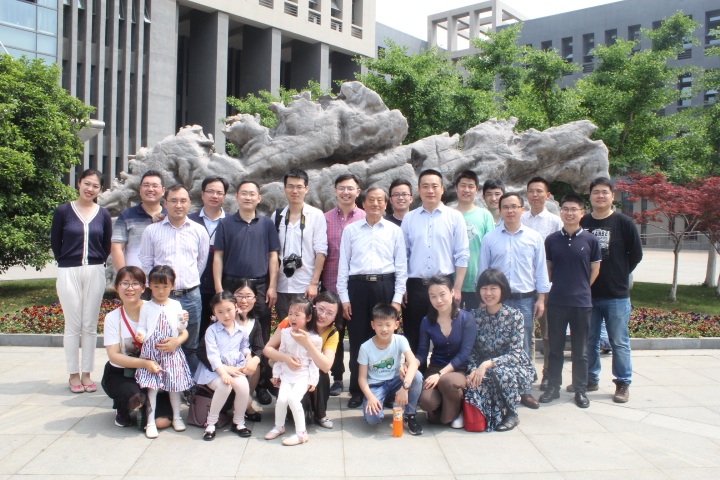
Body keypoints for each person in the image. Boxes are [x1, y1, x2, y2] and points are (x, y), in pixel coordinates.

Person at [336, 186, 407, 408]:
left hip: (385, 286)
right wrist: (344, 298)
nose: (375, 204)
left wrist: (396, 300)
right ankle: (357, 390)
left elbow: (401, 268)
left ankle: (387, 387)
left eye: (380, 200)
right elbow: (343, 266)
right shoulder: (351, 230)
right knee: (358, 340)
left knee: (385, 340)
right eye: (371, 200)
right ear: (363, 204)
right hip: (357, 288)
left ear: (386, 204)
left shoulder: (394, 231)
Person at [479, 192, 550, 409]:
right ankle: (499, 388)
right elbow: (483, 271)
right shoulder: (490, 238)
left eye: (514, 206)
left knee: (524, 346)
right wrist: (484, 300)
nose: (510, 210)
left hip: (524, 301)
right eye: (506, 207)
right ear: (499, 211)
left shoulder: (534, 237)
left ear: (522, 209)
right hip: (497, 302)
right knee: (497, 347)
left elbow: (540, 270)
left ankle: (525, 390)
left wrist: (541, 299)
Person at [213, 180, 280, 405]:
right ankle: (230, 381)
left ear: (259, 198)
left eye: (252, 194)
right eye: (244, 193)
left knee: (261, 333)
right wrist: (219, 288)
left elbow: (273, 256)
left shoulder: (267, 224)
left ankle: (260, 384)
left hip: (259, 286)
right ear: (237, 197)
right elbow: (218, 256)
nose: (248, 197)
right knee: (229, 330)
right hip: (232, 284)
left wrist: (272, 286)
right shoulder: (225, 224)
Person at [580, 177, 643, 403]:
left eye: (604, 192)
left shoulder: (623, 222)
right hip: (589, 294)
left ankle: (623, 382)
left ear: (612, 196)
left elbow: (636, 254)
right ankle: (590, 378)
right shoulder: (583, 222)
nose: (600, 196)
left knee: (619, 341)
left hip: (616, 295)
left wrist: (620, 272)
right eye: (596, 192)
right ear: (590, 196)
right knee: (590, 340)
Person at [51, 168, 113, 393]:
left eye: (95, 186)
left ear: (100, 189)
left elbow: (106, 244)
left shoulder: (103, 214)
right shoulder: (63, 211)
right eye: (87, 184)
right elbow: (56, 242)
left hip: (95, 270)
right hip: (68, 270)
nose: (90, 189)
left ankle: (87, 374)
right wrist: (67, 261)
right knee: (72, 325)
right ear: (79, 183)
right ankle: (73, 375)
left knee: (89, 325)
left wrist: (96, 261)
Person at [139, 184, 210, 375]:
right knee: (159, 341)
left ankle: (189, 385)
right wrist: (159, 288)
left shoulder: (199, 231)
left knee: (190, 345)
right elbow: (146, 261)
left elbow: (201, 262)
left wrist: (187, 281)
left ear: (189, 203)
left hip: (190, 296)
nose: (179, 205)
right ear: (165, 203)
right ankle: (163, 382)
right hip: (161, 298)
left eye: (183, 201)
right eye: (174, 201)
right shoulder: (152, 231)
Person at [540, 194, 601, 408]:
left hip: (581, 303)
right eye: (565, 209)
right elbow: (548, 270)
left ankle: (580, 390)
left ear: (582, 213)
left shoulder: (591, 240)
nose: (569, 213)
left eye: (574, 209)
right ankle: (553, 387)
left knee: (580, 351)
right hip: (556, 301)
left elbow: (595, 270)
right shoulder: (552, 240)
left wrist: (581, 287)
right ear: (561, 212)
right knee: (555, 349)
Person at [401, 169, 469, 352]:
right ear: (418, 190)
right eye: (425, 186)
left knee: (448, 336)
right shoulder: (409, 218)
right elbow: (403, 255)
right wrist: (403, 286)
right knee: (414, 336)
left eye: (434, 186)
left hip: (444, 285)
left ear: (442, 189)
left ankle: (443, 370)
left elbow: (462, 254)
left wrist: (457, 288)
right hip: (415, 287)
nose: (430, 190)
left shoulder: (454, 217)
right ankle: (416, 370)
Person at [101, 266, 173, 430]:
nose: (130, 288)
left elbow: (180, 330)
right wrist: (145, 363)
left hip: (153, 373)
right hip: (123, 373)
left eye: (135, 283)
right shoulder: (112, 318)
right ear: (117, 287)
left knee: (162, 422)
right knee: (134, 398)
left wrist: (176, 339)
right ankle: (123, 407)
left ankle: (143, 407)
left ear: (143, 287)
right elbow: (114, 355)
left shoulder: (156, 309)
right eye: (125, 283)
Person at [466, 269, 535, 432]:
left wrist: (487, 364)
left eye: (493, 288)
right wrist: (474, 369)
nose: (488, 293)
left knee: (501, 373)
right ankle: (488, 415)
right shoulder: (475, 316)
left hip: (512, 366)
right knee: (473, 383)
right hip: (483, 367)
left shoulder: (515, 316)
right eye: (484, 288)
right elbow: (472, 350)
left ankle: (512, 413)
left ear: (502, 290)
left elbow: (516, 353)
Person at [264, 291, 343, 429]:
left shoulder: (332, 332)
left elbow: (326, 366)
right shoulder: (292, 321)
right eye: (320, 309)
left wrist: (308, 343)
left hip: (307, 373)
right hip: (286, 369)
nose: (323, 315)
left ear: (335, 316)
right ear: (312, 307)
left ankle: (321, 415)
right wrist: (285, 358)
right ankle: (287, 410)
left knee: (321, 374)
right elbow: (267, 349)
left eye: (330, 313)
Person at [134, 266, 194, 439]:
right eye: (156, 286)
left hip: (171, 352)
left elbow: (181, 327)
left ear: (173, 286)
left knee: (173, 386)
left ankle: (177, 417)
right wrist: (141, 335)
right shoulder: (146, 306)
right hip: (152, 352)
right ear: (149, 285)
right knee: (152, 387)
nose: (161, 291)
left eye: (165, 286)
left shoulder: (176, 305)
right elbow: (142, 325)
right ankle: (150, 422)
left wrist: (184, 320)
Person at [323, 173, 365, 398]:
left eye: (350, 188)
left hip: (358, 288)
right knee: (334, 334)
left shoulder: (366, 217)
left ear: (358, 191)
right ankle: (337, 377)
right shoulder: (325, 219)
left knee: (358, 335)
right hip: (331, 286)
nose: (346, 192)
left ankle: (359, 378)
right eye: (341, 188)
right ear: (335, 191)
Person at [520, 176, 563, 391]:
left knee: (548, 334)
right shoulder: (520, 219)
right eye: (531, 191)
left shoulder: (555, 221)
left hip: (547, 285)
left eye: (539, 191)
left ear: (548, 195)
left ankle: (548, 373)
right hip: (524, 285)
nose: (535, 195)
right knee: (524, 333)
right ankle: (527, 370)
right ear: (526, 195)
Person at [417, 276, 476, 427]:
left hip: (459, 369)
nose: (438, 300)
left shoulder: (467, 318)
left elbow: (465, 354)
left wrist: (440, 374)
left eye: (442, 294)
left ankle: (459, 409)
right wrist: (410, 364)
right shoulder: (426, 321)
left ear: (452, 293)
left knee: (448, 382)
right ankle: (446, 406)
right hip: (435, 368)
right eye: (433, 296)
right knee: (426, 402)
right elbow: (422, 353)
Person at [264, 296, 322, 446]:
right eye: (290, 314)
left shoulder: (315, 339)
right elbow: (281, 354)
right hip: (287, 375)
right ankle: (279, 427)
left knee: (293, 399)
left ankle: (301, 433)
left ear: (308, 317)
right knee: (281, 400)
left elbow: (314, 362)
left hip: (303, 376)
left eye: (297, 314)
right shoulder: (285, 333)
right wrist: (276, 374)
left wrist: (313, 380)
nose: (292, 318)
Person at [271, 169, 328, 320]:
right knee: (285, 327)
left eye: (299, 187)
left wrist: (314, 283)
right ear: (285, 188)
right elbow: (273, 253)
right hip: (282, 285)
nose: (294, 191)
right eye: (290, 186)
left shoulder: (316, 215)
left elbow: (321, 251)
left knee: (306, 327)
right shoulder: (277, 216)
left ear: (306, 189)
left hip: (306, 285)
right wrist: (272, 286)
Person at [194, 292, 252, 440]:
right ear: (214, 312)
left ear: (236, 307)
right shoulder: (212, 330)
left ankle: (239, 422)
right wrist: (224, 373)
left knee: (243, 385)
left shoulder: (241, 330)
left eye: (229, 310)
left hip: (235, 368)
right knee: (225, 385)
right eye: (220, 312)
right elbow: (212, 356)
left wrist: (248, 357)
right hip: (214, 371)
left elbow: (244, 347)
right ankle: (211, 423)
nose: (225, 315)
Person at [358, 304, 424, 435]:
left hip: (395, 382)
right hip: (376, 386)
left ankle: (409, 415)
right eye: (379, 325)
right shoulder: (365, 347)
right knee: (372, 419)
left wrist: (405, 387)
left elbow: (413, 363)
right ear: (373, 325)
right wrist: (370, 397)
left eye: (388, 325)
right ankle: (382, 401)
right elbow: (361, 377)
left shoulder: (400, 340)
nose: (384, 329)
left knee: (416, 375)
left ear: (396, 325)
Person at [188, 176, 228, 340]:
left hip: (222, 287)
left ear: (225, 196)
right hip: (194, 287)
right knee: (195, 333)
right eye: (210, 191)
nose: (214, 196)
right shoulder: (189, 220)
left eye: (219, 193)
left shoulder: (232, 221)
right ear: (202, 194)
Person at [454, 170, 495, 311]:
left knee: (478, 322)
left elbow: (492, 251)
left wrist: (488, 285)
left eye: (471, 186)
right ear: (456, 188)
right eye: (463, 185)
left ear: (476, 190)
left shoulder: (485, 215)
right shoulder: (449, 215)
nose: (466, 190)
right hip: (452, 282)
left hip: (478, 282)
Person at [111, 170, 167, 273]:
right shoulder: (127, 216)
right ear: (140, 190)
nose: (150, 189)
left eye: (155, 186)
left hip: (165, 279)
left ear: (163, 190)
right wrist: (124, 276)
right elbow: (116, 247)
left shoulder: (170, 216)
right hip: (136, 279)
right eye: (146, 185)